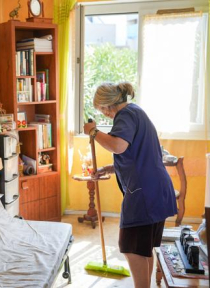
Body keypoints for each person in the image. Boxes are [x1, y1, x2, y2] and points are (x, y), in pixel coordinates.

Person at [84, 82, 177, 288]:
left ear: (107, 105)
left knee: (130, 247)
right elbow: (136, 155)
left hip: (145, 193)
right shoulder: (137, 112)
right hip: (157, 189)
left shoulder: (125, 116)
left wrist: (93, 132)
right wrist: (109, 168)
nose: (104, 114)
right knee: (144, 248)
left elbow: (118, 146)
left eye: (101, 109)